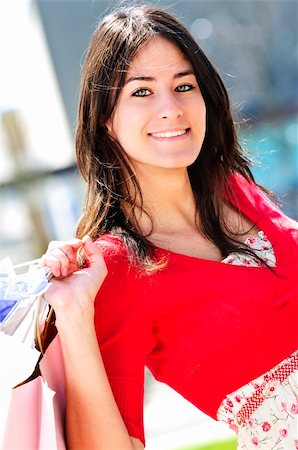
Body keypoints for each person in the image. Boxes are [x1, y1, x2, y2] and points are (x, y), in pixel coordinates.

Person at [41, 4, 298, 450]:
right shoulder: (115, 266)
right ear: (104, 117)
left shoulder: (232, 188)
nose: (171, 108)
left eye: (184, 85)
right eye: (142, 92)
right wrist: (75, 315)